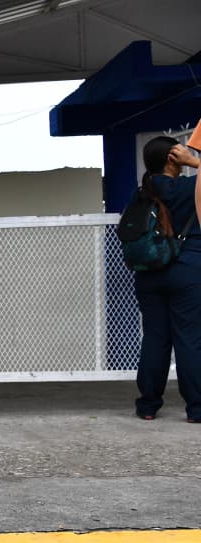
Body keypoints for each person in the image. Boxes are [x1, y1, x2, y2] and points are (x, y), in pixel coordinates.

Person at [131, 135, 201, 423]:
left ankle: (147, 405)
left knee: (155, 338)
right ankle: (197, 409)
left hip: (149, 273)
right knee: (189, 339)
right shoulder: (190, 187)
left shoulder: (143, 191)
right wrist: (194, 162)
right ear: (173, 157)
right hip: (187, 270)